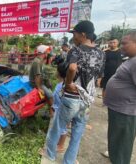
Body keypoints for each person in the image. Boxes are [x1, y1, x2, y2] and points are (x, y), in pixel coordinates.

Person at [42, 21, 105, 164]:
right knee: (77, 132)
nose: (74, 36)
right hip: (87, 99)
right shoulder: (101, 53)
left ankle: (50, 155)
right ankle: (68, 161)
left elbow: (71, 68)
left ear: (83, 34)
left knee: (58, 126)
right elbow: (99, 77)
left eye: (75, 33)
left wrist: (69, 83)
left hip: (72, 97)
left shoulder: (76, 50)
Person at [104, 31, 136, 164]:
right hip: (121, 110)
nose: (122, 46)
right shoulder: (133, 60)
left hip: (126, 112)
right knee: (117, 143)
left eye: (125, 43)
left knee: (121, 147)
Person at [29, 44, 54, 116]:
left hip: (40, 82)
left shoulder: (39, 61)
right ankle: (51, 112)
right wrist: (39, 88)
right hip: (36, 83)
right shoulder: (37, 62)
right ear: (44, 53)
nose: (47, 54)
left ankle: (48, 110)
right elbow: (37, 76)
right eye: (46, 52)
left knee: (49, 89)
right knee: (50, 95)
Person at [51, 62, 68, 153]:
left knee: (62, 129)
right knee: (62, 128)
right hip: (60, 110)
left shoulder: (61, 86)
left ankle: (60, 145)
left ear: (59, 73)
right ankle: (59, 144)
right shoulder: (62, 84)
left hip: (60, 111)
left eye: (57, 70)